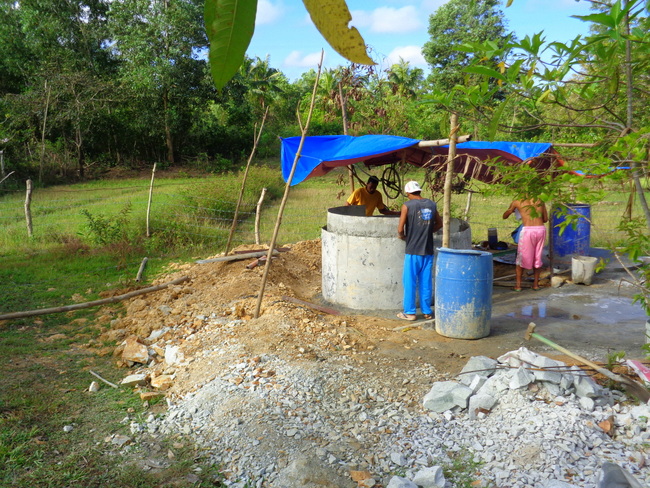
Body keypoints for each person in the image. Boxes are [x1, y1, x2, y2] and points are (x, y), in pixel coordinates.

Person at [396, 181, 442, 321]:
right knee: (426, 282)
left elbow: (400, 228)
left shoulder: (407, 205)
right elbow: (439, 223)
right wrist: (428, 231)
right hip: (427, 250)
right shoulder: (432, 205)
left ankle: (409, 313)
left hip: (412, 250)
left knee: (409, 281)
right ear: (419, 191)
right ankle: (427, 312)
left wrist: (403, 236)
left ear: (408, 193)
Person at [503, 197, 549, 291]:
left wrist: (512, 209)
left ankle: (518, 286)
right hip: (541, 230)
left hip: (528, 231)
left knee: (521, 257)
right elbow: (545, 219)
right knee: (537, 257)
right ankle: (536, 285)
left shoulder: (517, 201)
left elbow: (504, 216)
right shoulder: (540, 200)